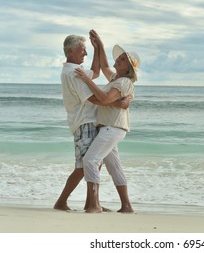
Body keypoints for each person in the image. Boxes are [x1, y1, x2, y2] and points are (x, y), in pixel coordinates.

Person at [53, 32, 130, 211]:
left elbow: (95, 72)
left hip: (89, 121)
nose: (85, 54)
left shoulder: (74, 71)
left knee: (92, 163)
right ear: (71, 51)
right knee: (84, 166)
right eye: (83, 50)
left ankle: (93, 202)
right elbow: (94, 99)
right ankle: (64, 202)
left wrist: (97, 49)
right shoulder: (74, 73)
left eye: (86, 50)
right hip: (84, 122)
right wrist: (120, 103)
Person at [74, 30, 139, 213]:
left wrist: (87, 80)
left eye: (123, 59)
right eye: (119, 57)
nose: (118, 60)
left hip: (113, 128)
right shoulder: (115, 78)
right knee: (113, 166)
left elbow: (103, 98)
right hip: (109, 128)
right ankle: (126, 206)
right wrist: (99, 45)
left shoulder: (125, 82)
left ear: (129, 68)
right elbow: (103, 65)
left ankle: (93, 205)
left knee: (90, 160)